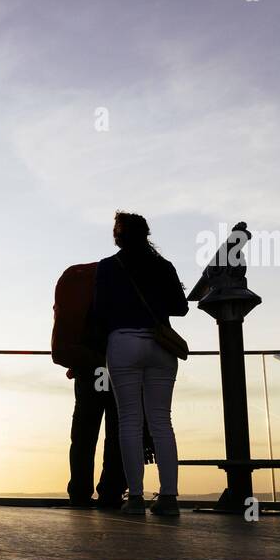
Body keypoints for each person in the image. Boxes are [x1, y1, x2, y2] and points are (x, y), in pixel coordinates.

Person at [93, 212, 188, 516]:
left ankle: (135, 497)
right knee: (162, 422)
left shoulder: (108, 267)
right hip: (160, 346)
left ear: (118, 237)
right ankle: (169, 498)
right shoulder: (163, 266)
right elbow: (180, 308)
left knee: (129, 422)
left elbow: (100, 311)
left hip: (123, 343)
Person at [52, 261, 126, 509]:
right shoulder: (120, 291)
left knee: (83, 434)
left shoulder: (80, 289)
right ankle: (111, 492)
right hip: (117, 368)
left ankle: (80, 492)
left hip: (87, 368)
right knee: (116, 432)